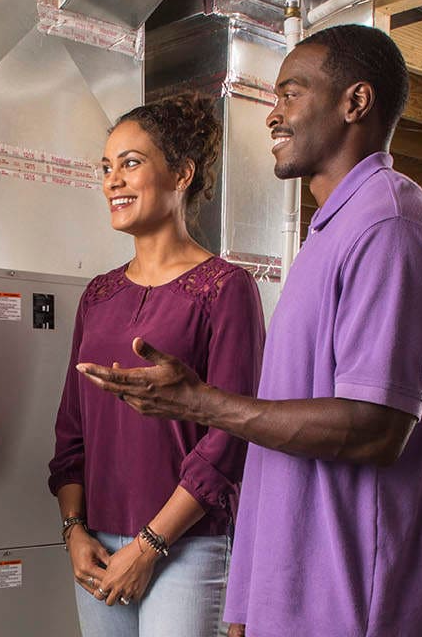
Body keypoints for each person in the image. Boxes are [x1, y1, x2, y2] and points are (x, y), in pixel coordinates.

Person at [78, 24, 422, 637]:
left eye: (291, 94)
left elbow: (376, 430)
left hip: (356, 601)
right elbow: (280, 438)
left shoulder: (389, 226)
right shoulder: (331, 233)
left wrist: (201, 403)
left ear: (354, 102)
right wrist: (250, 602)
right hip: (296, 596)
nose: (272, 115)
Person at [48, 94, 265, 637]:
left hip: (187, 545)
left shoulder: (226, 289)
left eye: (131, 162)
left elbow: (229, 437)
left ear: (182, 174)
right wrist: (73, 530)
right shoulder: (97, 295)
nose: (113, 181)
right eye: (106, 167)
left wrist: (150, 546)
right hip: (95, 544)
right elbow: (72, 429)